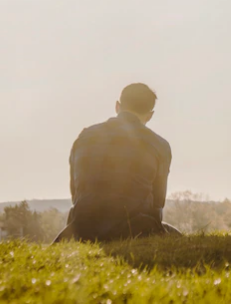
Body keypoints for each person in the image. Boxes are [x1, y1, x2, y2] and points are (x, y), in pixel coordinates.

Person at [54, 83, 180, 242]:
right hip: (135, 228)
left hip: (82, 228)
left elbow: (76, 193)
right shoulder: (159, 145)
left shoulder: (84, 137)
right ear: (150, 115)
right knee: (179, 238)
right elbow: (157, 204)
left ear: (117, 106)